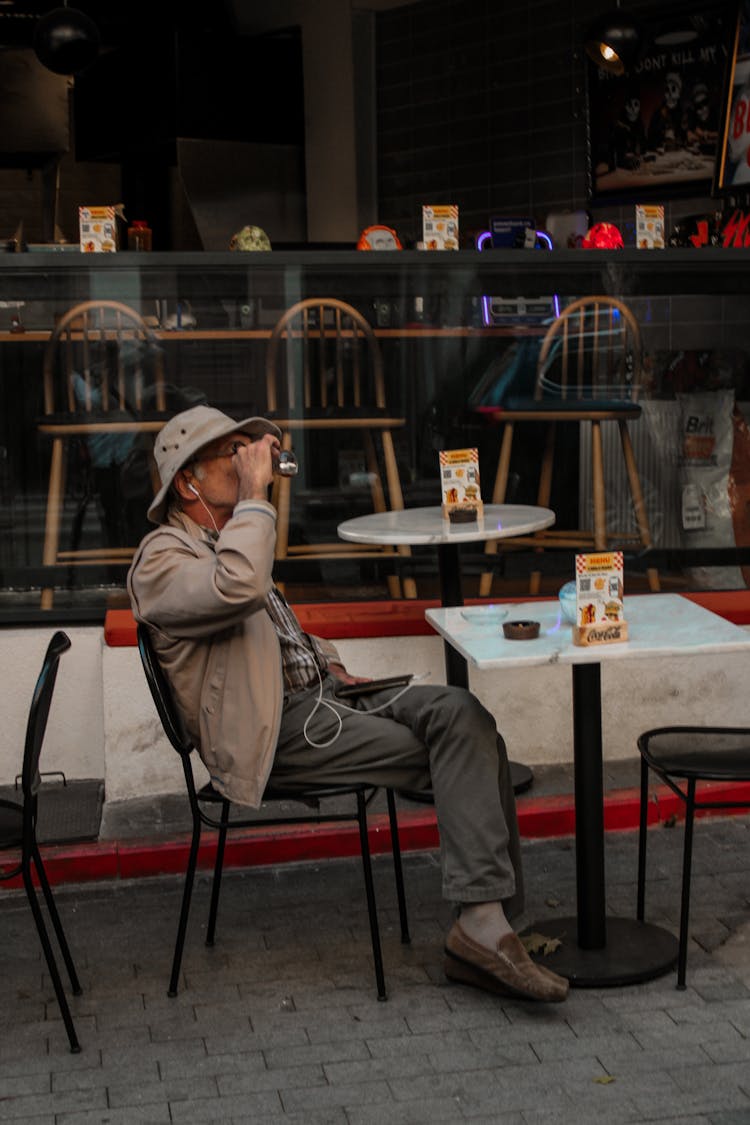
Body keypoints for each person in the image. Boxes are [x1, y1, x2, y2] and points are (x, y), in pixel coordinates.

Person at [127, 405, 569, 1004]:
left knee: (463, 715)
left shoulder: (225, 535)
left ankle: (491, 927)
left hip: (324, 699)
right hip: (277, 736)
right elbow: (240, 587)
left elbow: (270, 626)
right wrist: (257, 494)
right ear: (187, 481)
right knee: (468, 745)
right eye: (228, 455)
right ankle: (487, 929)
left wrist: (325, 657)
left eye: (244, 450)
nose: (243, 461)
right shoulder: (161, 559)